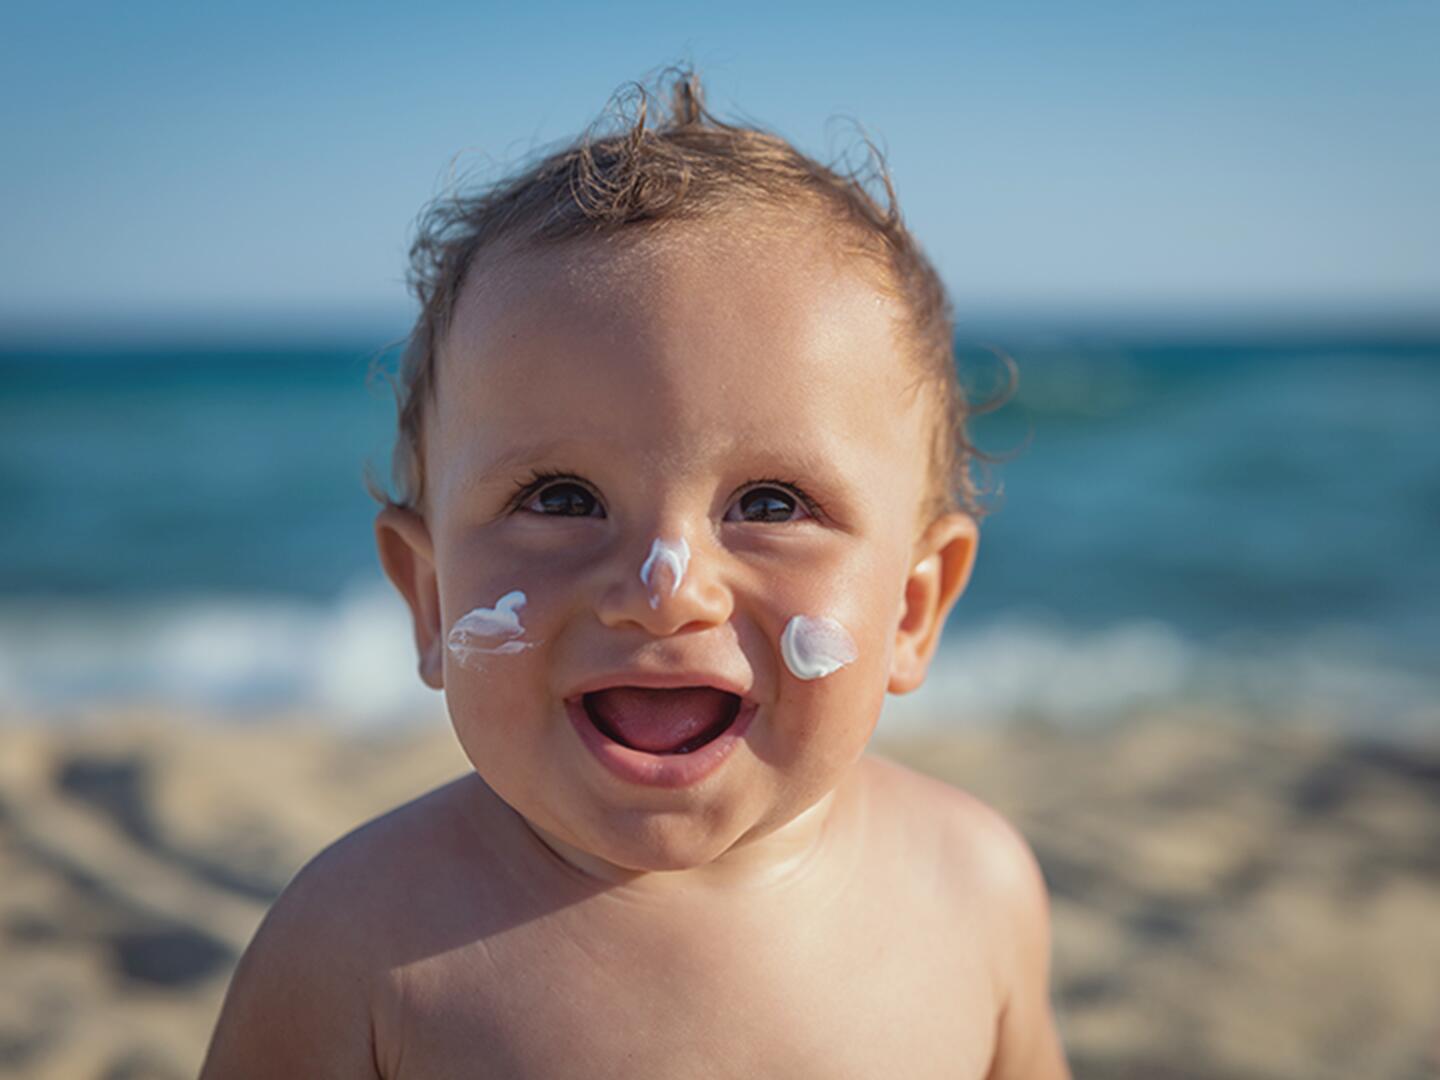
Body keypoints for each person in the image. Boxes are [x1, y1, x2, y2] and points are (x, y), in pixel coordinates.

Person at [201, 70, 1070, 1079]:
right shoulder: (356, 944)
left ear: (914, 607)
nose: (665, 586)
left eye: (772, 504)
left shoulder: (974, 889)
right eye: (563, 497)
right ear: (430, 599)